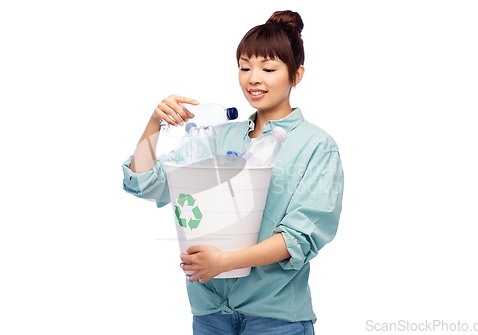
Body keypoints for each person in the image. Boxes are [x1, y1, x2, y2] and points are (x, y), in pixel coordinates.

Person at [122, 10, 344, 335]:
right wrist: (155, 124)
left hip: (275, 320)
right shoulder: (217, 136)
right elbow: (147, 183)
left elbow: (300, 237)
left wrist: (226, 262)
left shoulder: (316, 146)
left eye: (268, 68)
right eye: (245, 67)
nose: (254, 78)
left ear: (296, 75)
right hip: (210, 316)